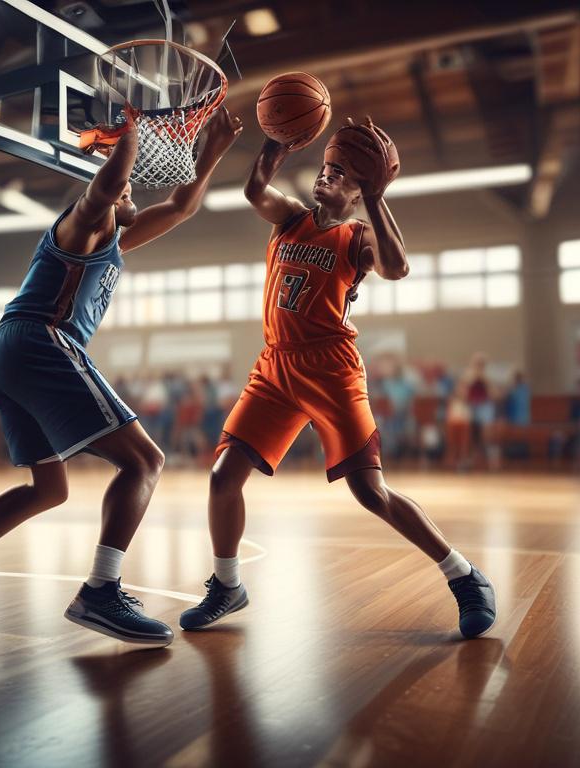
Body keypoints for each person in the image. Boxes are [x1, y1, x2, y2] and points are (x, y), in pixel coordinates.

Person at [0, 106, 243, 646]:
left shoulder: (113, 241)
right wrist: (128, 137)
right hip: (39, 341)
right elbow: (105, 191)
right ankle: (101, 591)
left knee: (48, 488)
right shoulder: (85, 222)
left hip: (8, 352)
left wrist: (213, 149)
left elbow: (180, 205)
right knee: (145, 460)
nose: (130, 197)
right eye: (125, 190)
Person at [179, 118, 496, 639]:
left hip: (331, 369)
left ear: (359, 189)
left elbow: (396, 269)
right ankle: (227, 584)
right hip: (277, 366)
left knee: (370, 491)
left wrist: (375, 197)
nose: (326, 176)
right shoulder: (291, 219)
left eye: (340, 173)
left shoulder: (358, 235)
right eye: (326, 167)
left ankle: (464, 576)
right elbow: (255, 189)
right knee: (222, 476)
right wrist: (274, 145)